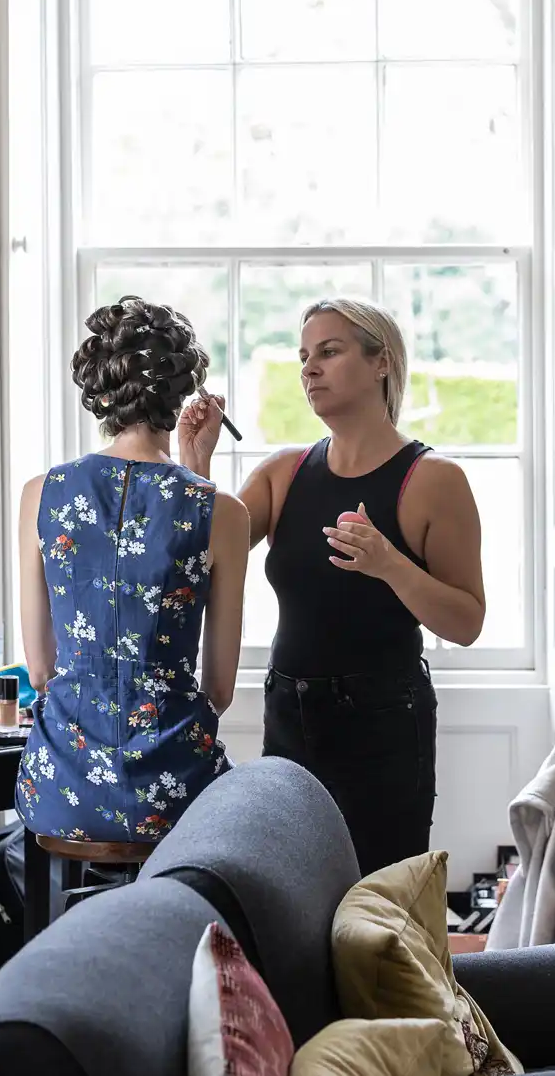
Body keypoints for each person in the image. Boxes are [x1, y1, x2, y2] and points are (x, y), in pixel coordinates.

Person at [178, 297, 486, 874]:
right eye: (303, 357)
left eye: (330, 351)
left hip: (384, 724)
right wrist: (195, 467)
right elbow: (195, 564)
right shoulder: (282, 473)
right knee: (291, 895)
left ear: (382, 363)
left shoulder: (434, 481)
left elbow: (467, 622)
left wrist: (390, 564)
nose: (309, 369)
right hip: (288, 716)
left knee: (381, 904)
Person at [13, 297, 250, 844]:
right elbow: (218, 688)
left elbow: (42, 672)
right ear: (181, 392)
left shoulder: (41, 494)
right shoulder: (223, 513)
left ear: (99, 393)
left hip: (58, 788)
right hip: (176, 793)